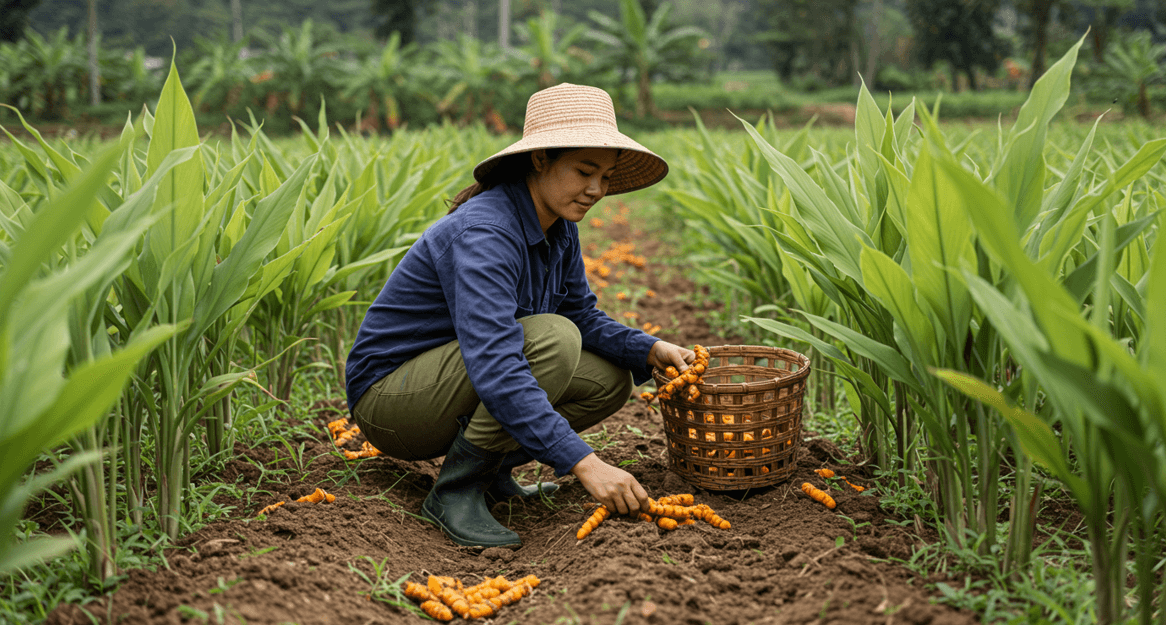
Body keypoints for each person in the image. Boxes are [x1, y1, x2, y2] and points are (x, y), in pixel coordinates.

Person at [344, 83, 693, 549]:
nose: (596, 190)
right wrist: (586, 464)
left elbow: (581, 315)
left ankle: (491, 475)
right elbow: (498, 363)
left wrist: (648, 347)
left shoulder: (560, 228)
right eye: (584, 171)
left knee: (610, 378)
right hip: (391, 402)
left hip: (452, 382)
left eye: (606, 177)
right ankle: (455, 491)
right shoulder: (486, 233)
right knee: (552, 340)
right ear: (540, 159)